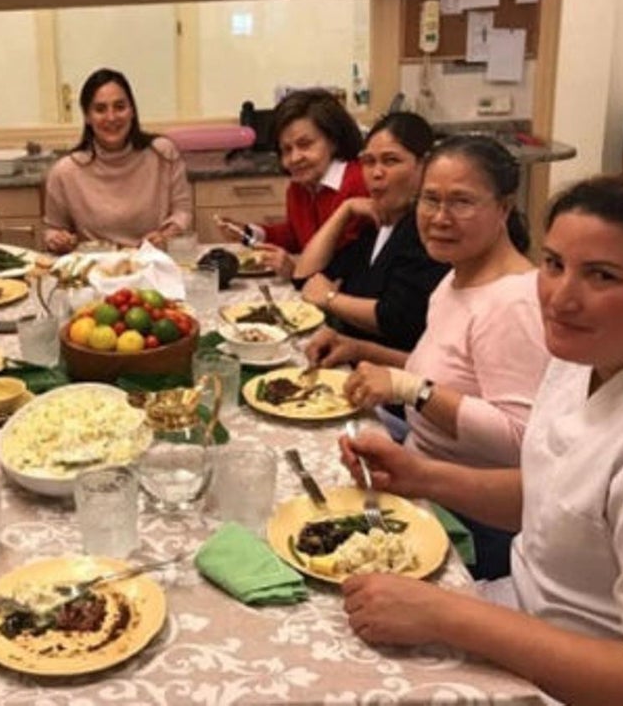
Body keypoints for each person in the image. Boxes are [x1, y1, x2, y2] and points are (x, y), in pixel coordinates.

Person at [338, 173, 623, 704]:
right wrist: (423, 476)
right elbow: (560, 498)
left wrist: (447, 614)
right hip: (521, 613)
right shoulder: (588, 353)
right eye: (554, 264)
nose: (559, 298)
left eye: (601, 276)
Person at [308, 136, 549, 578]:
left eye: (461, 202)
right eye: (430, 200)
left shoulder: (514, 303)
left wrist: (407, 389)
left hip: (471, 518)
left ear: (504, 207)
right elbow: (446, 375)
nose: (439, 218)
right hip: (415, 471)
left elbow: (520, 439)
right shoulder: (458, 278)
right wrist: (360, 350)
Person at [292, 112, 448, 353]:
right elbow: (305, 277)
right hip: (349, 354)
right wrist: (344, 211)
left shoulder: (428, 232)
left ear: (424, 166)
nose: (376, 173)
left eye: (390, 161)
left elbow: (397, 320)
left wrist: (331, 299)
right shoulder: (376, 225)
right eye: (368, 162)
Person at [219, 88, 369, 277]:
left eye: (305, 144)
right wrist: (249, 232)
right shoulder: (299, 187)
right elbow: (296, 236)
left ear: (334, 141)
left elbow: (343, 266)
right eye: (286, 150)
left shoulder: (356, 183)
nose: (294, 158)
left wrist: (295, 269)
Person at [43, 68, 193, 254]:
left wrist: (167, 234)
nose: (111, 117)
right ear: (87, 117)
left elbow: (183, 212)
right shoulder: (65, 171)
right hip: (96, 272)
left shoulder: (162, 153)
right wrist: (58, 240)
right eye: (100, 109)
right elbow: (53, 229)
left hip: (155, 264)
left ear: (132, 111)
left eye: (120, 107)